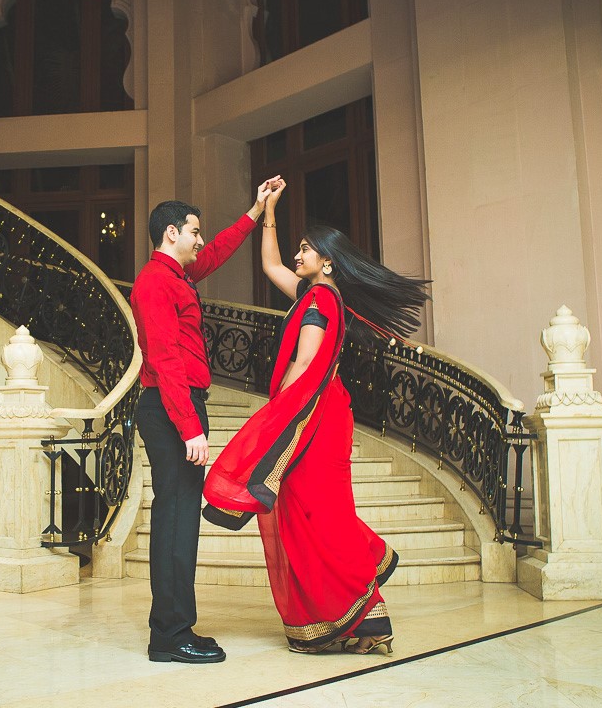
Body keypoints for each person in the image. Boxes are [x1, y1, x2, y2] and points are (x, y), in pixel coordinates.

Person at [203, 179, 429, 655]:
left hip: (316, 419)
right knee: (308, 514)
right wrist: (269, 211)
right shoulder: (312, 294)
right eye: (300, 247)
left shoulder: (322, 300)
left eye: (306, 249)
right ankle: (350, 618)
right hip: (319, 414)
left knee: (320, 515)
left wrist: (278, 419)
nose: (298, 254)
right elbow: (268, 263)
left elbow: (304, 364)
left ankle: (369, 615)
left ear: (328, 261)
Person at [131, 181, 279, 664]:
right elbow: (165, 359)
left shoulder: (177, 276)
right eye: (194, 231)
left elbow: (214, 253)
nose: (201, 239)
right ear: (172, 232)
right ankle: (170, 636)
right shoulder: (154, 282)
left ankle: (176, 628)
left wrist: (256, 210)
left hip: (181, 405)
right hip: (171, 408)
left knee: (180, 521)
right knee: (174, 522)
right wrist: (189, 425)